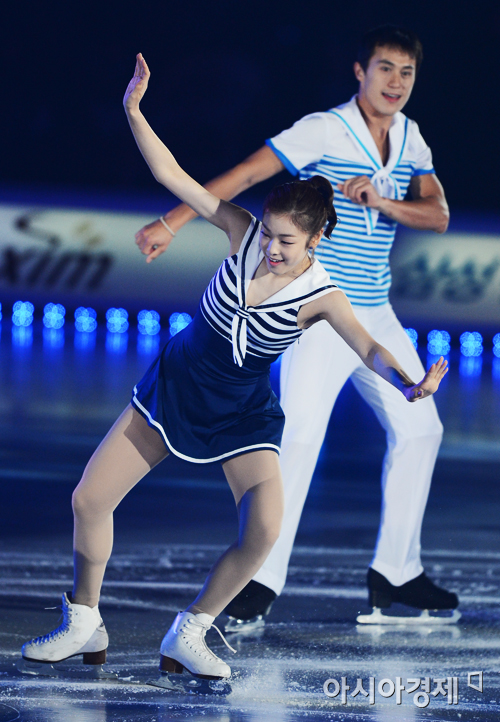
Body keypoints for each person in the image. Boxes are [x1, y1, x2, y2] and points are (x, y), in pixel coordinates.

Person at [21, 53, 447, 682]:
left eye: (286, 242)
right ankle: (85, 621)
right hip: (177, 386)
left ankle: (190, 632)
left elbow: (368, 347)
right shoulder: (242, 231)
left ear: (316, 241)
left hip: (241, 411)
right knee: (89, 498)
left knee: (264, 531)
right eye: (269, 234)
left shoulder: (323, 296)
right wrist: (134, 111)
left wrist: (409, 383)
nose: (270, 248)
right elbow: (174, 175)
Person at [134, 25, 458, 627]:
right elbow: (246, 176)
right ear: (360, 72)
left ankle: (396, 571)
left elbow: (437, 214)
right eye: (384, 68)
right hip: (314, 311)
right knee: (301, 435)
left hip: (374, 310)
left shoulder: (411, 140)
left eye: (406, 72)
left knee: (422, 428)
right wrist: (173, 222)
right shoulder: (325, 129)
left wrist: (381, 202)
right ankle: (260, 577)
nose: (395, 82)